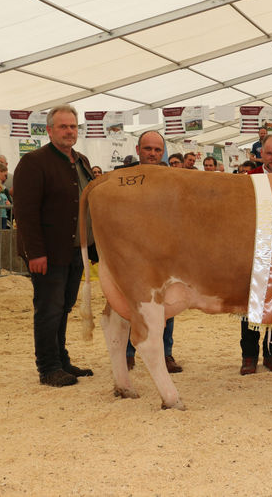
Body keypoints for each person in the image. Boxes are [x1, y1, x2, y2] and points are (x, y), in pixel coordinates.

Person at [14, 104, 95, 387]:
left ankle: (62, 360)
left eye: (73, 126)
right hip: (48, 251)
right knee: (49, 308)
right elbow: (25, 212)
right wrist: (35, 252)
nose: (69, 131)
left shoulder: (81, 160)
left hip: (74, 250)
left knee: (63, 307)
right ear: (49, 130)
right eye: (63, 126)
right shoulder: (34, 162)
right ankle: (48, 367)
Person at [118, 131, 183, 373]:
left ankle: (166, 353)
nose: (153, 154)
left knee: (168, 305)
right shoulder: (124, 179)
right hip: (132, 253)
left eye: (157, 150)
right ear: (138, 150)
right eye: (148, 149)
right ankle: (127, 353)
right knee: (128, 303)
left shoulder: (173, 178)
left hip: (164, 253)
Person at [239, 134, 272, 375]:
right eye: (268, 153)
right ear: (261, 154)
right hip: (253, 249)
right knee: (250, 305)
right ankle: (249, 356)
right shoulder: (248, 180)